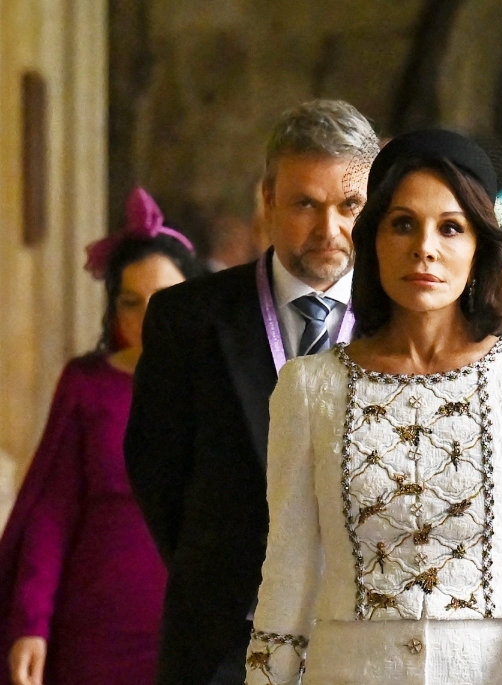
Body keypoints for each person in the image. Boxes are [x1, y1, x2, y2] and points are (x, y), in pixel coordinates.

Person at [245, 129, 502, 685]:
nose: (424, 247)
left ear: (480, 246)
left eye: (450, 228)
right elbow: (288, 570)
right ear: (374, 239)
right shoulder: (309, 388)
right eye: (403, 223)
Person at [124, 100, 377, 685]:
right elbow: (156, 469)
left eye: (350, 206)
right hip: (223, 643)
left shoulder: (404, 322)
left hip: (364, 646)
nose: (329, 229)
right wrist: (219, 575)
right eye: (305, 204)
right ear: (267, 199)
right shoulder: (188, 320)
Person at [0, 188, 200, 685]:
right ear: (114, 308)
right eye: (131, 303)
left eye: (165, 302)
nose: (147, 320)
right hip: (93, 633)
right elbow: (51, 513)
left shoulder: (222, 386)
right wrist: (31, 625)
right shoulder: (87, 384)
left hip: (192, 632)